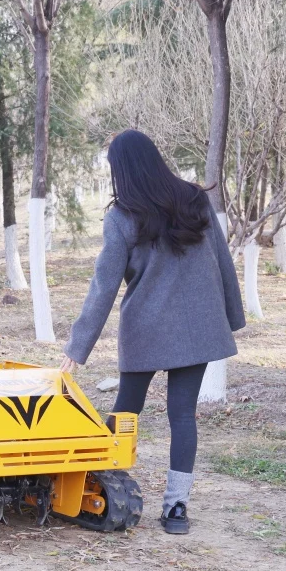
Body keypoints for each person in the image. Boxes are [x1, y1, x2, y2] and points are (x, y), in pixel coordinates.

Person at [61, 129, 245, 534]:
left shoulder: (123, 216)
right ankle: (176, 508)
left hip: (146, 329)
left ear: (121, 170)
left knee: (126, 411)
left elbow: (103, 287)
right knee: (183, 416)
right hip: (198, 328)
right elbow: (222, 262)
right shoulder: (194, 199)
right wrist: (230, 319)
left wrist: (77, 347)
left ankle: (97, 487)